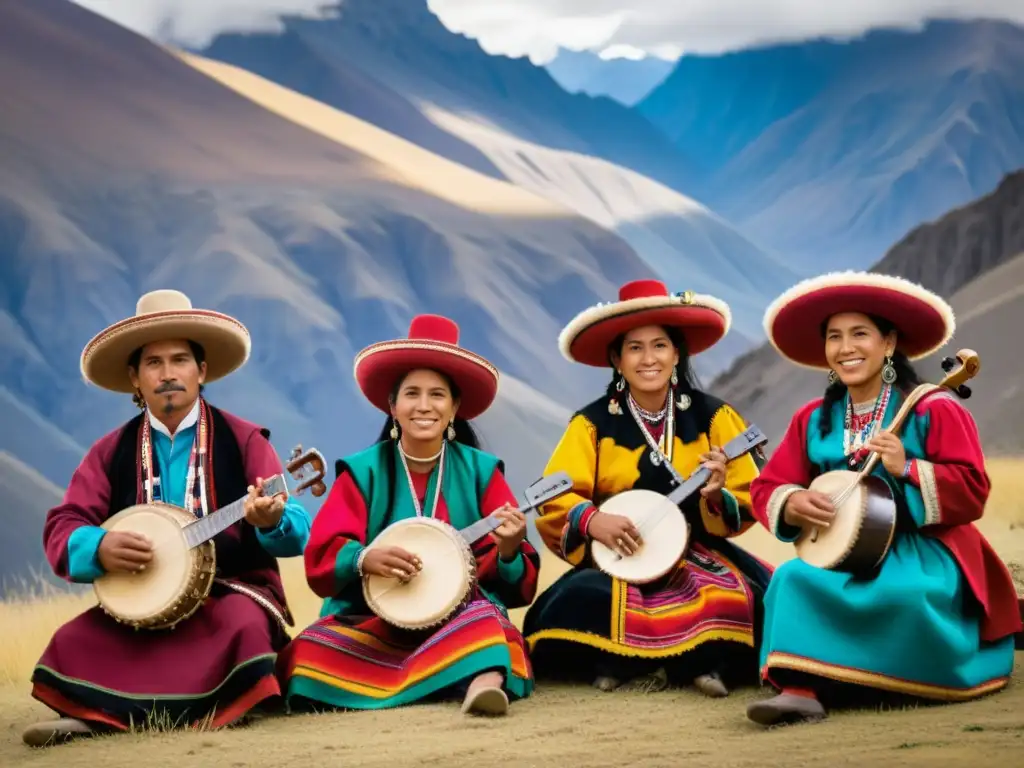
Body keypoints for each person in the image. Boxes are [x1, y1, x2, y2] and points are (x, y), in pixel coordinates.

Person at [23, 290, 312, 747]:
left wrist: (270, 519)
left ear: (203, 371)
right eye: (153, 363)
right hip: (143, 601)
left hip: (232, 590)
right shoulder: (110, 452)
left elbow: (296, 529)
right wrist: (98, 546)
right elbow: (64, 523)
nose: (168, 373)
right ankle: (114, 713)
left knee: (241, 626)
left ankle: (113, 713)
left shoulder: (243, 439)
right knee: (73, 639)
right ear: (135, 378)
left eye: (180, 360)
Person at [746, 271, 1022, 726]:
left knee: (910, 594)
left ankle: (869, 675)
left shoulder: (933, 407)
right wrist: (793, 502)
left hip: (924, 551)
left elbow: (974, 491)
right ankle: (801, 690)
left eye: (860, 334)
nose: (845, 347)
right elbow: (767, 487)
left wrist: (907, 468)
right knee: (791, 579)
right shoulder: (814, 419)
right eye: (834, 336)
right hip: (842, 556)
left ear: (889, 343)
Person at [277, 314, 540, 717]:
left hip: (458, 617)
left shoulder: (481, 472)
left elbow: (516, 586)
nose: (423, 406)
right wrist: (364, 559)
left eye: (437, 395)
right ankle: (450, 674)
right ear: (392, 406)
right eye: (412, 393)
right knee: (305, 654)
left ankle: (483, 686)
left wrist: (507, 550)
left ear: (454, 409)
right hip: (375, 619)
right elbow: (322, 557)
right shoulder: (363, 470)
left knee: (489, 626)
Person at [522, 279, 773, 697]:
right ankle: (686, 662)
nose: (648, 358)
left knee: (725, 594)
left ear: (677, 353)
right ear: (617, 359)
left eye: (659, 345)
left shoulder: (714, 417)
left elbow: (748, 494)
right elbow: (554, 494)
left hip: (698, 551)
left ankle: (651, 662)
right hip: (620, 553)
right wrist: (592, 519)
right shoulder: (592, 423)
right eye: (634, 348)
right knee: (582, 598)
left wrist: (715, 495)